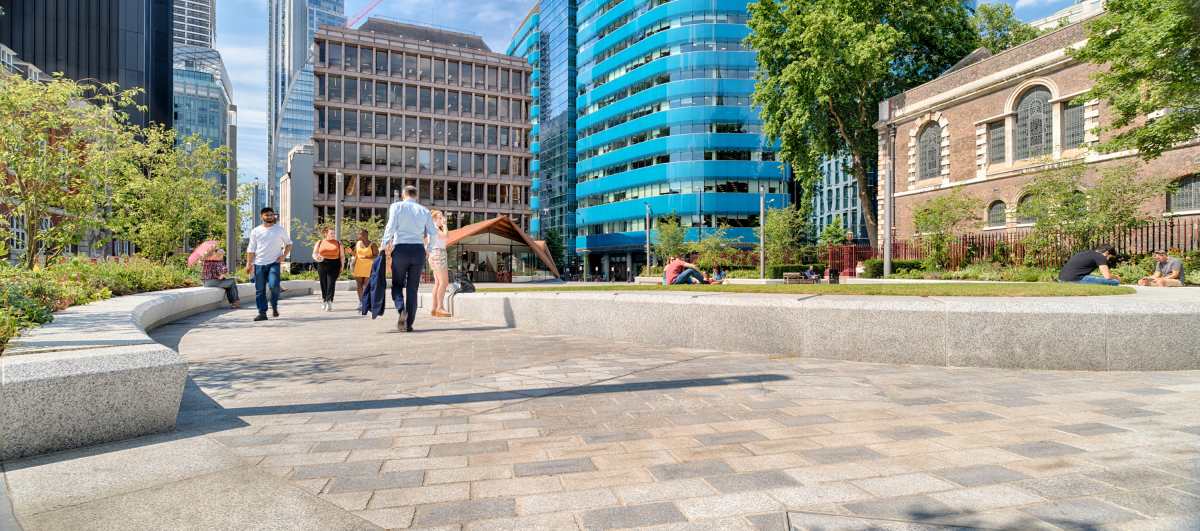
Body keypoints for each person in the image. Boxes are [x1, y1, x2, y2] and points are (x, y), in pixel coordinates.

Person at [381, 185, 439, 332]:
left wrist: (384, 245)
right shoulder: (424, 210)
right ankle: (409, 323)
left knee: (397, 285)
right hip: (418, 250)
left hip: (401, 249)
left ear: (403, 194)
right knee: (413, 289)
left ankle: (401, 309)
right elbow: (433, 233)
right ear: (416, 196)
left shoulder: (396, 206)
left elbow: (390, 227)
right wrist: (428, 250)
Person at [245, 207, 292, 321]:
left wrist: (284, 256)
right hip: (259, 264)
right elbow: (251, 249)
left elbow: (289, 243)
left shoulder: (280, 229)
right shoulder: (256, 231)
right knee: (259, 290)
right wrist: (249, 263)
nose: (270, 217)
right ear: (262, 217)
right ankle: (262, 313)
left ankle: (274, 305)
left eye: (272, 215)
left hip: (274, 263)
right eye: (267, 215)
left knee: (274, 285)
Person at [312, 227, 344, 312]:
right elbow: (314, 253)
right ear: (326, 234)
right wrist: (317, 258)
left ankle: (329, 301)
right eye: (331, 233)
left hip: (335, 264)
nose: (333, 235)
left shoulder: (338, 243)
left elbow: (342, 256)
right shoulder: (320, 242)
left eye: (334, 233)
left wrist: (342, 266)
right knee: (323, 283)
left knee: (331, 283)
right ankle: (324, 300)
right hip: (322, 263)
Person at [427, 210, 452, 317]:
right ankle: (440, 307)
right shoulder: (434, 229)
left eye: (442, 217)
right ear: (434, 219)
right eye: (440, 217)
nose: (442, 219)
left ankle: (434, 307)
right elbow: (446, 236)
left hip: (435, 254)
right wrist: (445, 225)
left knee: (438, 283)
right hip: (438, 254)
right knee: (444, 282)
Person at [352, 229, 378, 300]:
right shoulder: (357, 243)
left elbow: (377, 255)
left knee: (366, 285)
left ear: (366, 235)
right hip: (358, 266)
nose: (358, 235)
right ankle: (361, 301)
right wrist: (351, 253)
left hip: (369, 267)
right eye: (358, 234)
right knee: (359, 285)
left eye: (360, 234)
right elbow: (355, 254)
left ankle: (366, 301)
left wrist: (368, 257)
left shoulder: (372, 244)